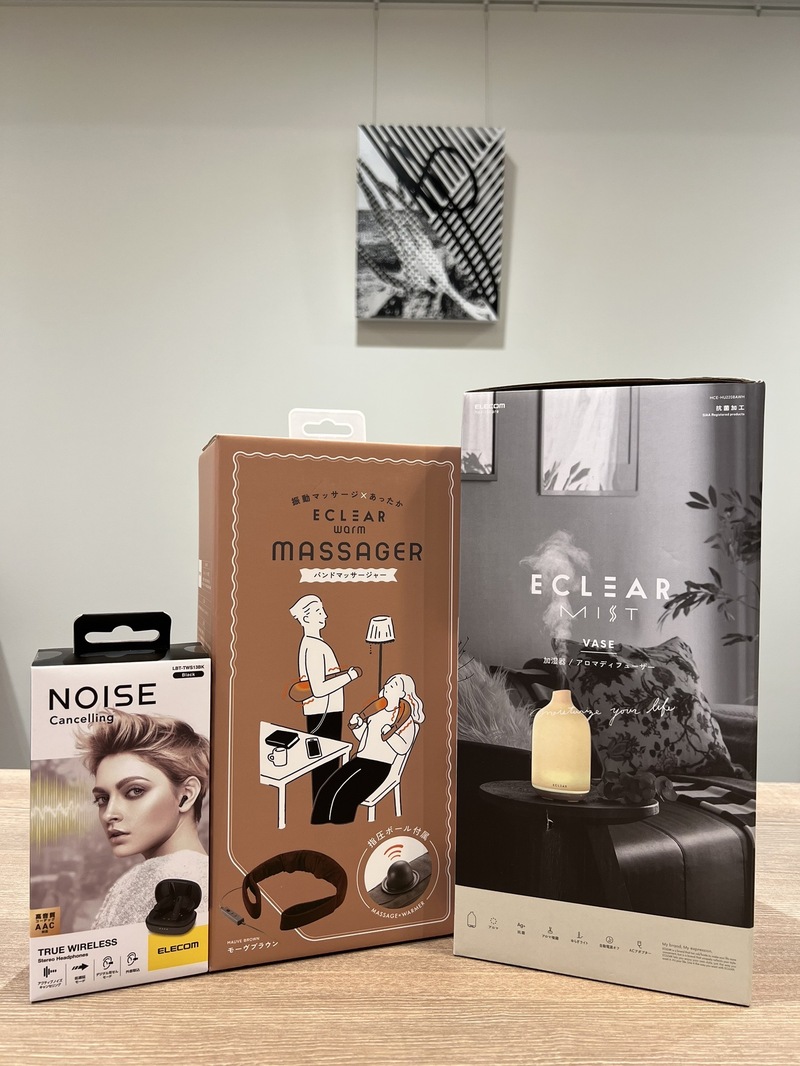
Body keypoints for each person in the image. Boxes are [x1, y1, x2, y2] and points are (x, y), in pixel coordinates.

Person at [75, 709, 210, 930]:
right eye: (102, 799)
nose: (109, 814)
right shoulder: (214, 877)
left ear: (186, 795)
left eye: (135, 791)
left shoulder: (147, 880)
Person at [311, 674, 423, 825]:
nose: (388, 685)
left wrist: (390, 734)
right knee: (327, 791)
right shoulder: (377, 712)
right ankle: (319, 827)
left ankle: (340, 830)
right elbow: (365, 738)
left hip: (380, 766)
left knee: (345, 796)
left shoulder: (406, 720)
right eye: (388, 682)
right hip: (360, 759)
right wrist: (358, 725)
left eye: (394, 685)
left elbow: (403, 748)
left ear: (402, 693)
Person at [289, 595, 360, 800]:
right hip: (323, 713)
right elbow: (319, 689)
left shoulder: (314, 644)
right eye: (319, 612)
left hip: (327, 710)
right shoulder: (313, 647)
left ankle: (325, 807)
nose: (325, 616)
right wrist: (349, 676)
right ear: (306, 618)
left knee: (327, 764)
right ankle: (323, 808)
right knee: (325, 765)